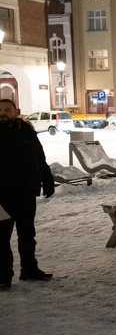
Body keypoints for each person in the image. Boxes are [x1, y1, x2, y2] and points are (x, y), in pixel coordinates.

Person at [0, 98, 54, 288]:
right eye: (0, 110)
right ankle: (3, 276)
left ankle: (29, 270)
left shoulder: (27, 133)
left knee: (27, 234)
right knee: (2, 238)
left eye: (7, 109)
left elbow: (40, 158)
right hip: (2, 197)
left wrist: (47, 180)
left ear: (16, 112)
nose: (3, 113)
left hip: (26, 193)